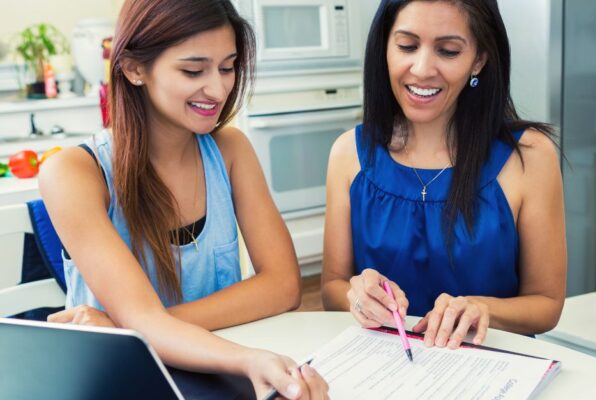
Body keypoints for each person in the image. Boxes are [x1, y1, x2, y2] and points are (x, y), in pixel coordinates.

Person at [39, 0, 328, 398]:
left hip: (214, 370)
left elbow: (283, 285)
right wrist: (246, 358)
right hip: (115, 382)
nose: (219, 88)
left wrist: (133, 327)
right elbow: (143, 319)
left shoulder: (230, 150)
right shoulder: (73, 173)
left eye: (227, 67)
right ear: (134, 68)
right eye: (194, 70)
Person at [321, 0, 566, 350]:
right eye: (406, 46)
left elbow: (546, 304)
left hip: (492, 370)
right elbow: (332, 287)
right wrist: (356, 295)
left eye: (448, 51)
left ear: (478, 59)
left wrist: (484, 309)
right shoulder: (348, 154)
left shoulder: (529, 157)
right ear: (384, 48)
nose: (421, 69)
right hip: (384, 369)